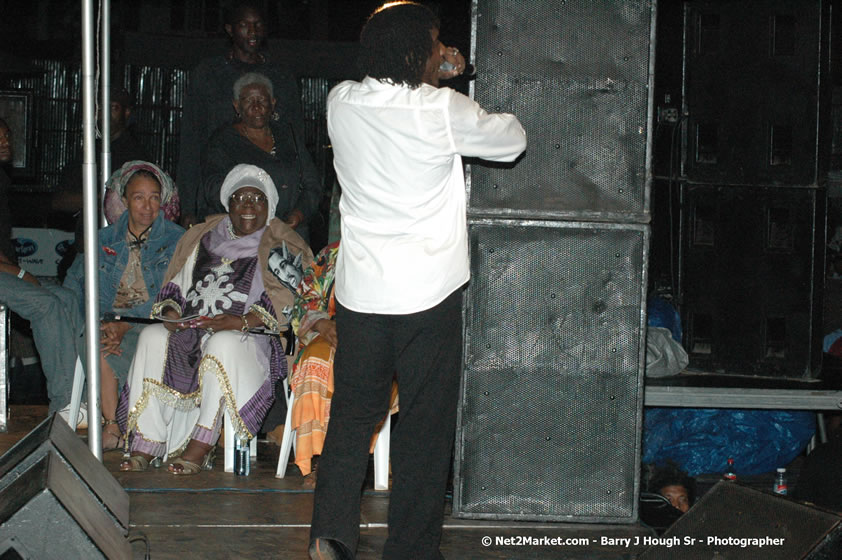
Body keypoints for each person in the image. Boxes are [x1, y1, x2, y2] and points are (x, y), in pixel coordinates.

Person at [308, 3, 526, 559]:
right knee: (425, 427)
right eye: (435, 44)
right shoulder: (441, 109)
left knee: (354, 416)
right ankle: (410, 550)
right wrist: (453, 79)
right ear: (418, 52)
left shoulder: (341, 102)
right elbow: (512, 140)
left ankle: (331, 536)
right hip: (427, 295)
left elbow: (393, 94)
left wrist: (431, 75)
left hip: (361, 297)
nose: (440, 50)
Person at [116, 164, 312, 474]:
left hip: (253, 336)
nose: (248, 205)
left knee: (222, 341)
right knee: (152, 337)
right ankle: (147, 440)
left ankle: (202, 443)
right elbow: (177, 285)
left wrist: (241, 321)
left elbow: (293, 302)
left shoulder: (281, 243)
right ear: (228, 203)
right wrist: (172, 314)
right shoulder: (204, 236)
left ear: (269, 206)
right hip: (194, 330)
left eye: (257, 198)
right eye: (240, 197)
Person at [63, 161, 184, 449]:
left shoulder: (177, 239)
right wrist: (95, 322)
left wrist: (126, 324)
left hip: (152, 322)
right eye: (139, 197)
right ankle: (114, 425)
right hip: (107, 320)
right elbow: (74, 284)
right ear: (125, 200)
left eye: (154, 197)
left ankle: (115, 426)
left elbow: (174, 296)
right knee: (96, 341)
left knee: (115, 343)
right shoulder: (102, 239)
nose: (147, 205)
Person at [177, 1, 307, 227]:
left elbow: (297, 144)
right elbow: (191, 142)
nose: (253, 32)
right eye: (244, 25)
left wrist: (298, 207)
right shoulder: (208, 75)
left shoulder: (282, 78)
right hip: (219, 200)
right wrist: (187, 206)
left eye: (258, 24)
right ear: (230, 29)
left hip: (274, 204)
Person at [289, 240, 398, 485]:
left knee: (374, 364)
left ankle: (356, 457)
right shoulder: (331, 254)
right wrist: (321, 323)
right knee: (317, 361)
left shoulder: (399, 250)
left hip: (381, 337)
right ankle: (322, 459)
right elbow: (303, 302)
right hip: (331, 333)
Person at [199, 72, 322, 238]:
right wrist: (250, 214)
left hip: (291, 233)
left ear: (272, 103)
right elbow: (213, 188)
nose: (256, 106)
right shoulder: (223, 141)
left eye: (262, 100)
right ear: (237, 106)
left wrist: (298, 215)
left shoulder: (288, 135)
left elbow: (312, 184)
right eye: (249, 100)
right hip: (246, 234)